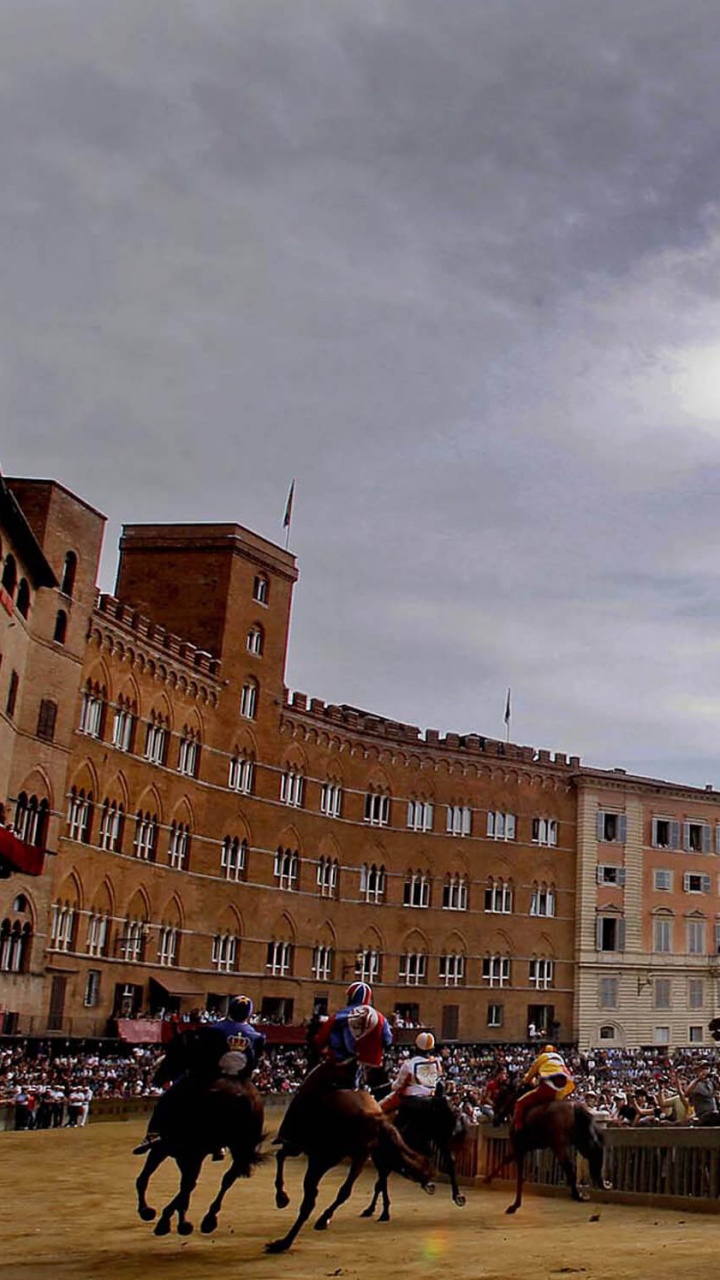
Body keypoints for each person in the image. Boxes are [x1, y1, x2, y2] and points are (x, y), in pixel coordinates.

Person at [133, 995, 265, 1155]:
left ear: (230, 1009)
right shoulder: (257, 1036)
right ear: (248, 1014)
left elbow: (202, 1053)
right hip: (240, 1078)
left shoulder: (214, 1029)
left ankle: (153, 1133)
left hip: (213, 1075)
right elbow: (254, 1061)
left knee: (171, 1095)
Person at [274, 982, 392, 1151]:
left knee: (303, 1092)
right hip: (362, 1069)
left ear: (350, 997)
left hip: (338, 1066)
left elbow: (320, 1039)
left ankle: (288, 1134)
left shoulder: (339, 1016)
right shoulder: (380, 1018)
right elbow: (388, 1040)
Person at [513, 1043, 574, 1131]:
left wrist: (523, 1082)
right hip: (564, 1089)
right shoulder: (560, 1059)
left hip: (548, 1088)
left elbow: (529, 1076)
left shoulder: (542, 1058)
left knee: (520, 1103)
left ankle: (519, 1129)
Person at [380, 1032, 441, 1113]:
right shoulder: (436, 1063)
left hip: (411, 1099)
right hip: (431, 1097)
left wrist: (392, 1084)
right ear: (432, 1049)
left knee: (379, 1108)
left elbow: (397, 1086)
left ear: (415, 1047)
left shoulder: (409, 1064)